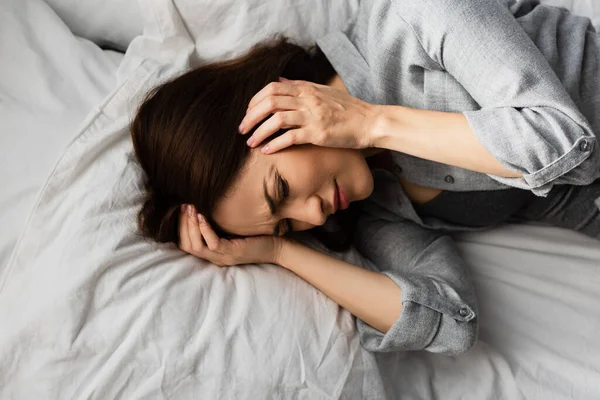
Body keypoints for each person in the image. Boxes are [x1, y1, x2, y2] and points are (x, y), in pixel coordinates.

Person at [130, 0, 600, 354]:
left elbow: (564, 140)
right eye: (286, 223)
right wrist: (279, 252)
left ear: (274, 105)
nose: (310, 214)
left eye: (281, 191)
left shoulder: (410, 18)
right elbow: (452, 320)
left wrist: (374, 123)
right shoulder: (371, 202)